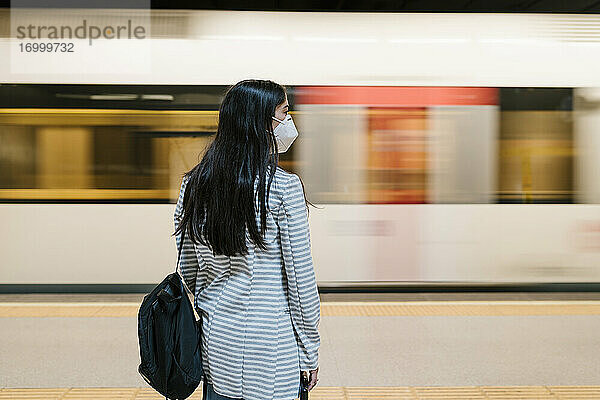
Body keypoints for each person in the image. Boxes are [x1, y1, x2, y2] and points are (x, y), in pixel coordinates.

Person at [173, 79, 321, 400]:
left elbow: (188, 269)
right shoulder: (283, 188)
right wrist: (309, 348)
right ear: (263, 123)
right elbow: (300, 282)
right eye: (285, 113)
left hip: (216, 343)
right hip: (272, 351)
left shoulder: (193, 185)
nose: (289, 121)